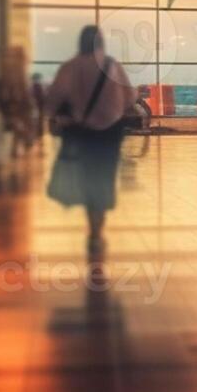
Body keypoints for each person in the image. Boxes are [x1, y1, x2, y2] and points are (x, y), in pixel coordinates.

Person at [43, 25, 133, 257]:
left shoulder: (69, 68)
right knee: (104, 177)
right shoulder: (113, 66)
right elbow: (129, 98)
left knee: (86, 177)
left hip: (81, 133)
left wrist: (64, 115)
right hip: (110, 133)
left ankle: (92, 226)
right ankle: (97, 229)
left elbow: (51, 104)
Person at [28, 73, 48, 153]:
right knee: (39, 123)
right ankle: (38, 139)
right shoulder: (39, 85)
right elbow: (43, 97)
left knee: (34, 123)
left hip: (33, 108)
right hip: (39, 108)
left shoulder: (30, 86)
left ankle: (32, 139)